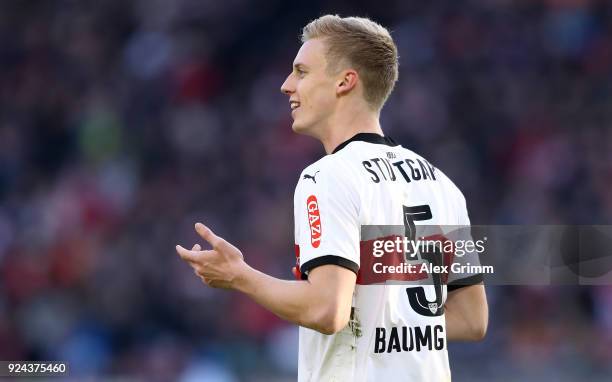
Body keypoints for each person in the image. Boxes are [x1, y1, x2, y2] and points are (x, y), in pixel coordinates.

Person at [176, 14, 488, 382]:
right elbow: (472, 319)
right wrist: (389, 320)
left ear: (345, 81)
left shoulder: (328, 176)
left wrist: (239, 276)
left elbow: (328, 310)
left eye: (302, 72)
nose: (286, 85)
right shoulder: (441, 184)